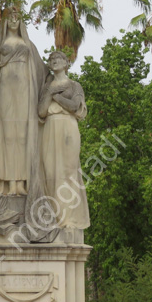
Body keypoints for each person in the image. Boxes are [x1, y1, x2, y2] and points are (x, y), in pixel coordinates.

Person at [0, 7, 48, 198]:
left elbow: (42, 71)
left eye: (17, 17)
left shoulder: (28, 45)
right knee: (6, 136)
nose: (14, 21)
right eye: (11, 17)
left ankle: (22, 182)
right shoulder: (0, 45)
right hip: (4, 89)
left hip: (25, 90)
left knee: (23, 135)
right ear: (6, 21)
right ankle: (9, 183)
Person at [37, 51, 90, 229]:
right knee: (50, 173)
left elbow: (75, 106)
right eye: (52, 60)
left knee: (68, 172)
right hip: (50, 127)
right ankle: (54, 217)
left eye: (58, 59)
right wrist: (50, 93)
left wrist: (56, 96)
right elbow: (41, 111)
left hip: (68, 127)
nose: (54, 61)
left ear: (67, 63)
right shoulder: (47, 86)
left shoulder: (74, 85)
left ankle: (69, 219)